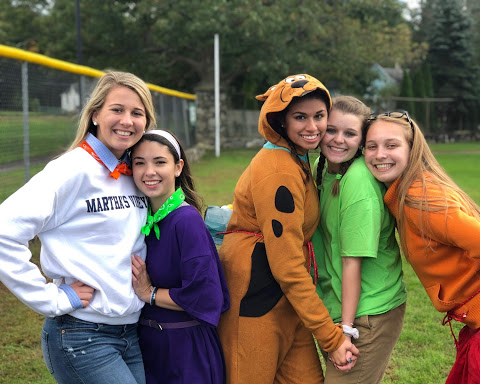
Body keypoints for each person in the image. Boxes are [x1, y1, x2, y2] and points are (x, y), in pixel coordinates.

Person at [0, 71, 157, 383]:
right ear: (96, 114)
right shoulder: (70, 171)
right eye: (117, 110)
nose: (127, 120)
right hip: (82, 335)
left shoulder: (136, 171)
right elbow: (4, 229)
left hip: (132, 331)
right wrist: (52, 299)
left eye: (137, 113)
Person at [217, 74, 359, 384]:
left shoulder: (296, 157)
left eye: (319, 116)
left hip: (287, 300)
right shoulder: (278, 169)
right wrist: (331, 338)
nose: (313, 127)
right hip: (256, 296)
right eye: (300, 117)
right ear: (281, 121)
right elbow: (287, 264)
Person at [364, 111, 480, 383]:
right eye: (371, 146)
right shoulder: (406, 193)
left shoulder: (419, 196)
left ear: (412, 148)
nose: (379, 154)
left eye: (392, 145)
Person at [312, 96, 407, 384]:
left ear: (361, 141)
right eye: (332, 130)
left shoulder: (357, 182)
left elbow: (352, 260)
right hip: (334, 306)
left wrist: (346, 328)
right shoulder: (321, 167)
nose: (338, 140)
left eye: (350, 134)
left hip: (366, 314)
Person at [130, 130, 230, 384]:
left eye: (159, 162)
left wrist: (148, 293)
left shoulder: (186, 220)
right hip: (153, 348)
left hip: (185, 354)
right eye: (139, 163)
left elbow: (206, 295)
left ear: (178, 167)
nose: (148, 171)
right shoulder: (147, 220)